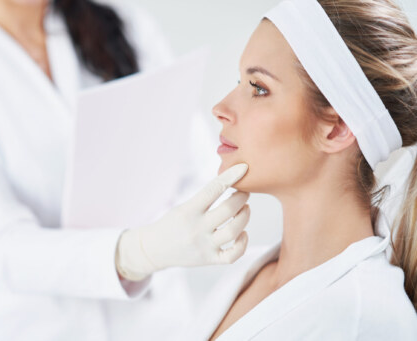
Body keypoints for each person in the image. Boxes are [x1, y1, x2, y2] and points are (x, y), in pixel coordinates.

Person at [0, 0, 252, 340]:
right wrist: (135, 252)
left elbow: (195, 161)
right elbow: (1, 245)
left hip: (157, 323)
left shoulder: (122, 24)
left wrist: (173, 233)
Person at [177, 0, 417, 340]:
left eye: (258, 88)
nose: (221, 109)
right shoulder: (253, 271)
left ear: (336, 128)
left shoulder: (365, 320)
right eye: (240, 82)